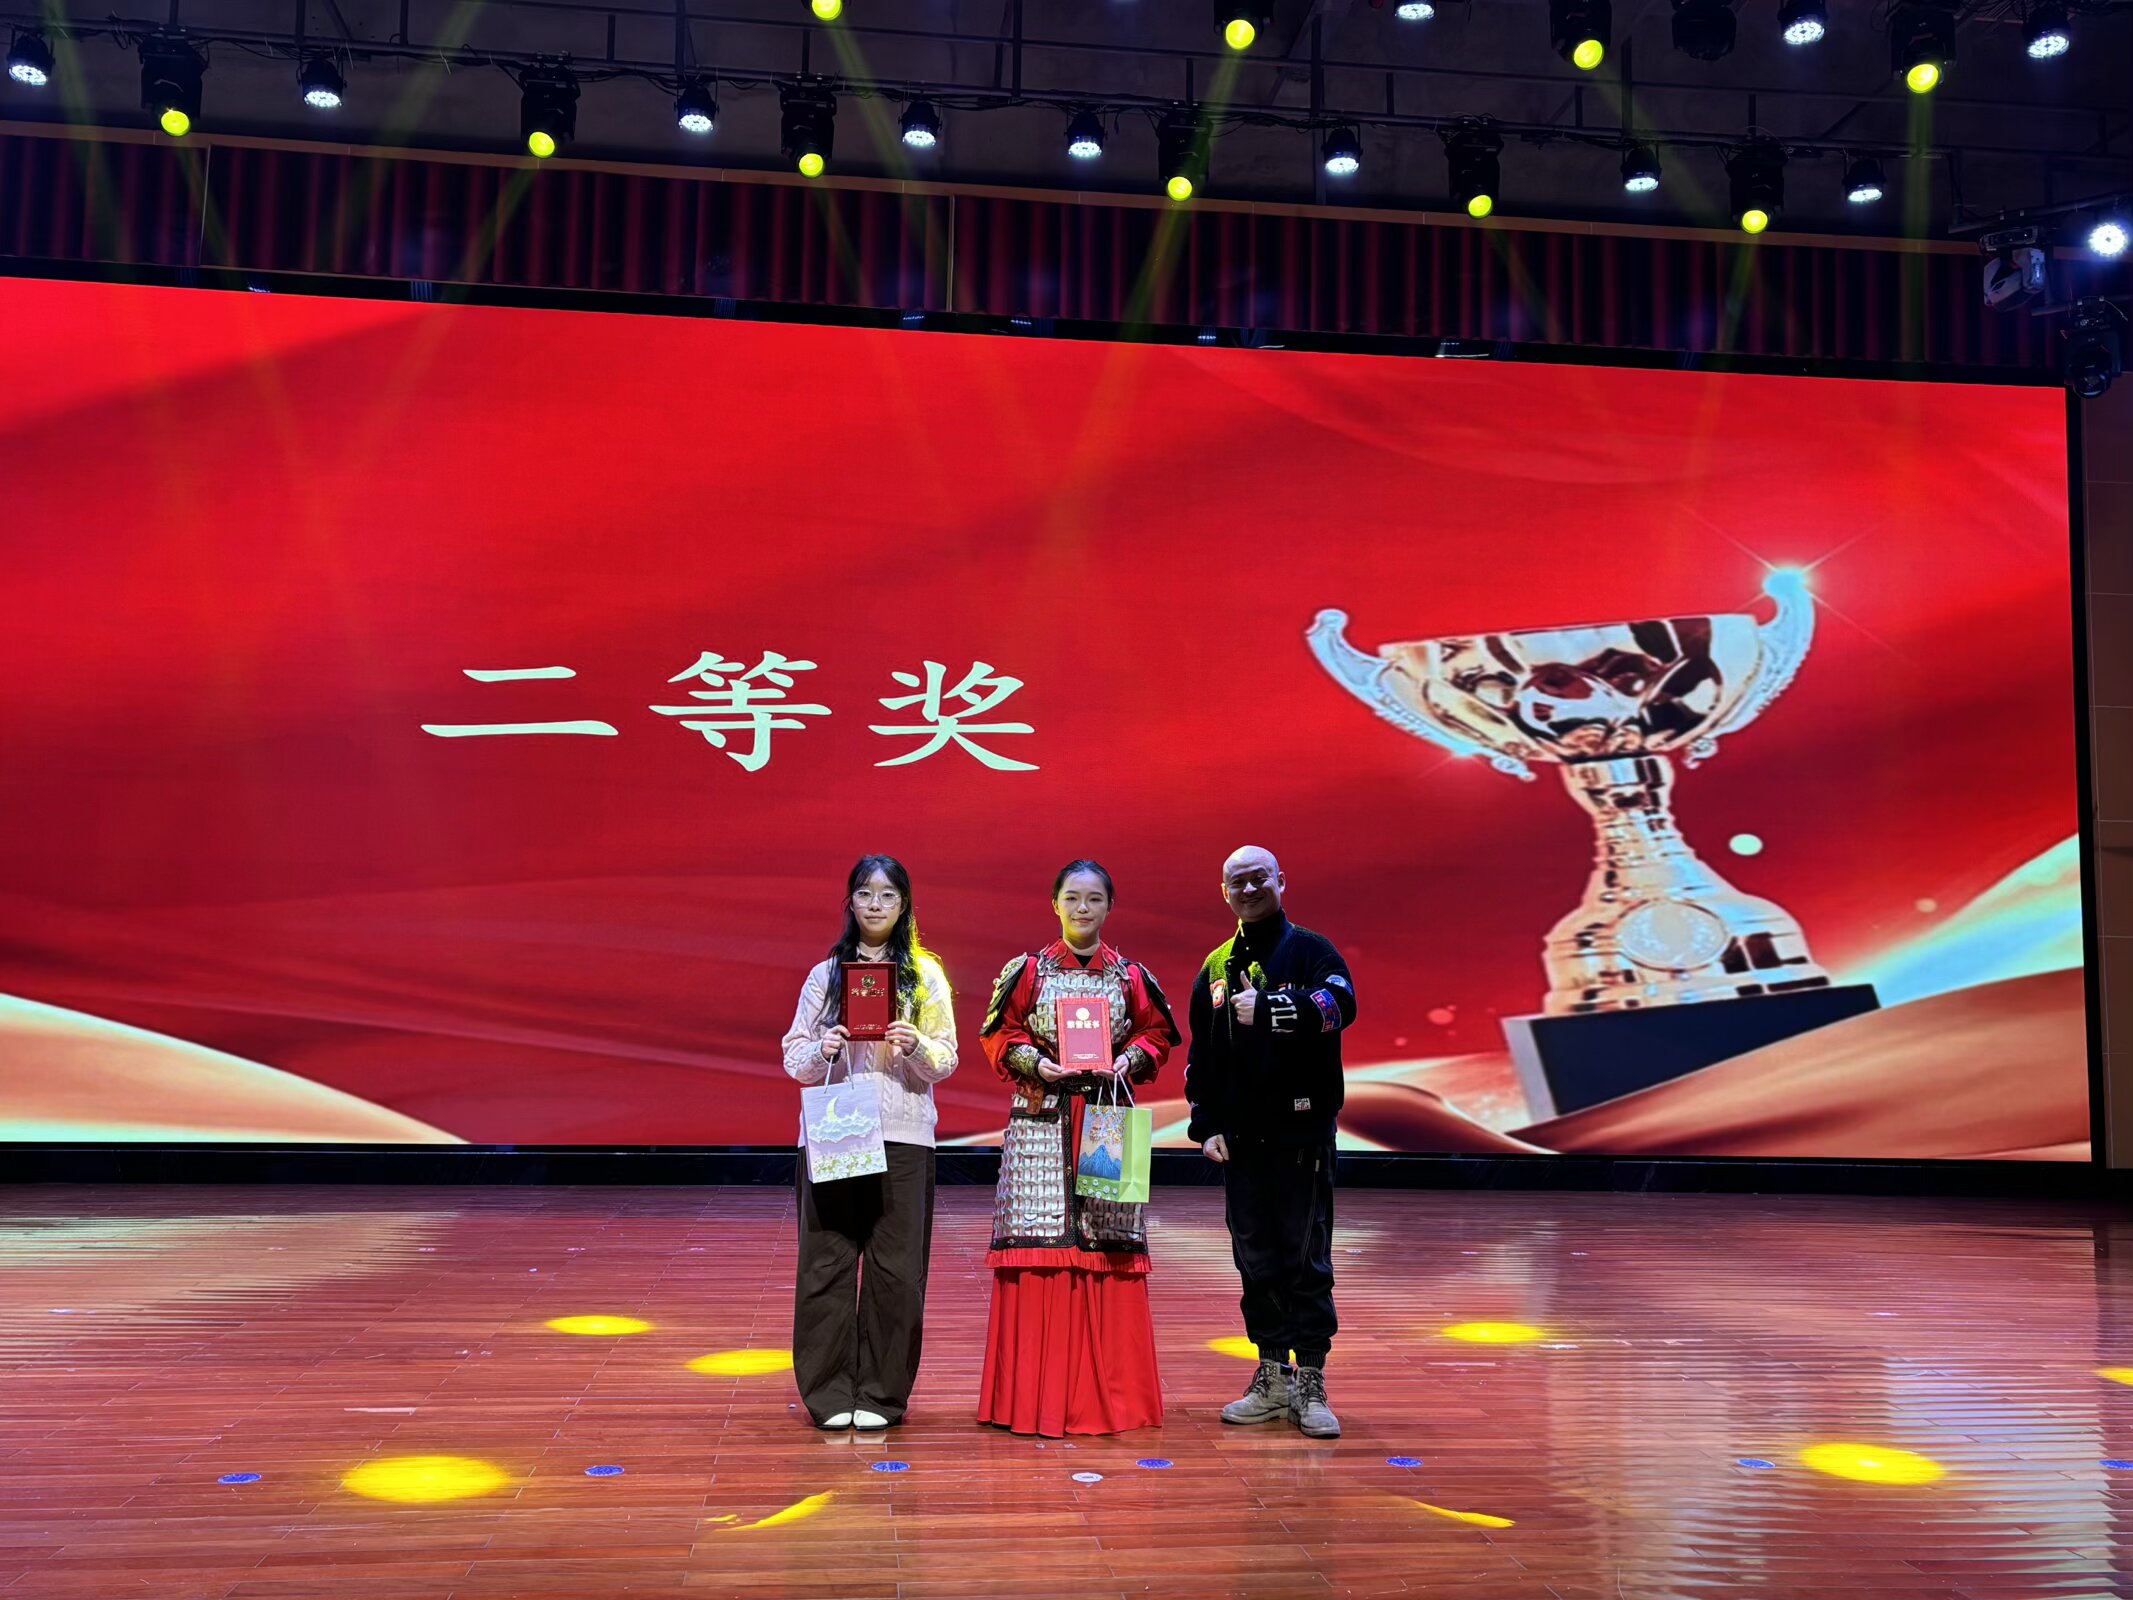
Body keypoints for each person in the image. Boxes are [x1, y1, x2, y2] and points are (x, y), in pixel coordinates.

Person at [976, 859, 1181, 1436]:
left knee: (1108, 1245)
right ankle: (1032, 1399)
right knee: (1038, 1244)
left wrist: (1128, 1059)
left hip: (1106, 1116)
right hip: (1041, 1119)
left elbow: (1158, 1033)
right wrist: (1033, 1062)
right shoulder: (1028, 971)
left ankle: (1110, 1399)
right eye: (1072, 897)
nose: (1082, 908)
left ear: (1109, 906)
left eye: (1093, 899)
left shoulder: (1130, 975)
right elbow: (999, 1031)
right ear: (1055, 904)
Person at [1183, 844, 1356, 1440]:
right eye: (1238, 882)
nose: (1250, 889)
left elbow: (1341, 1005)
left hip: (1303, 1134)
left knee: (1305, 1255)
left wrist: (1275, 1008)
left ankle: (1312, 1380)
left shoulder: (1312, 950)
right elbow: (1203, 1056)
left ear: (1282, 880)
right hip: (1240, 1141)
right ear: (1223, 892)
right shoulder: (1214, 966)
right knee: (1254, 1257)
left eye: (1260, 878)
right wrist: (1206, 1124)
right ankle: (1272, 1376)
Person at [780, 854, 958, 1431]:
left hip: (904, 1137)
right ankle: (829, 1393)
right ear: (850, 902)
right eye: (864, 893)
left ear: (904, 905)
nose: (875, 904)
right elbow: (794, 1058)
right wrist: (823, 1048)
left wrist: (916, 1045)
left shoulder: (925, 975)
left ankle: (881, 1394)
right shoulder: (826, 975)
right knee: (826, 1264)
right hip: (836, 1132)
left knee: (897, 1271)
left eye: (887, 895)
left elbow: (947, 1059)